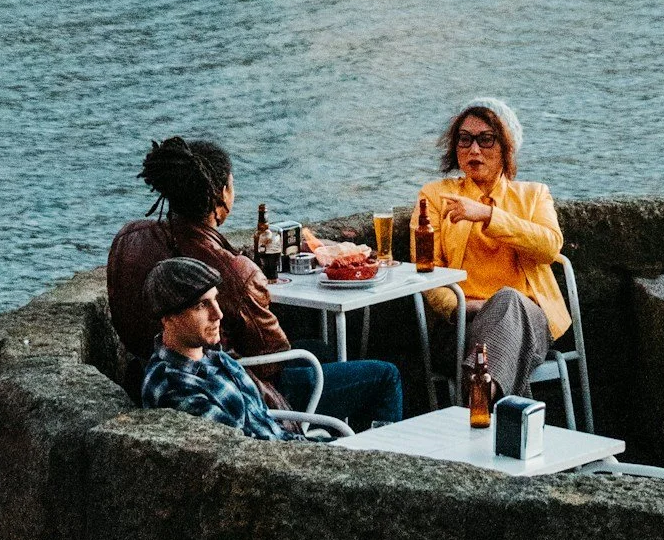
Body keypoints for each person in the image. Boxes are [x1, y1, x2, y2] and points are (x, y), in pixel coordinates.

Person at [107, 134, 403, 429]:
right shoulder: (236, 273)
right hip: (237, 385)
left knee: (319, 350)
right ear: (221, 194)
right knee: (385, 376)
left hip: (151, 367)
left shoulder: (129, 238)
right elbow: (272, 358)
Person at [139, 260, 400, 438]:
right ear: (167, 317)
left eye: (215, 300)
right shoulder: (175, 387)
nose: (218, 314)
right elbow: (244, 454)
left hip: (287, 444)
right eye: (200, 306)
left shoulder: (207, 355)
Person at [416, 99, 569, 398]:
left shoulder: (533, 195)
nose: (474, 150)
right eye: (465, 139)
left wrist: (489, 216)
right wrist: (462, 307)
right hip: (461, 322)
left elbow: (550, 247)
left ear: (506, 147)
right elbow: (424, 269)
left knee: (509, 301)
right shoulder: (436, 196)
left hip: (527, 319)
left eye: (486, 139)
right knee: (503, 339)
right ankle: (489, 403)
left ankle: (479, 402)